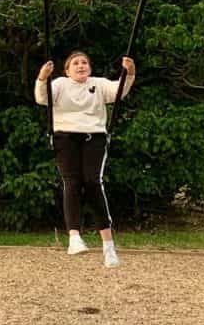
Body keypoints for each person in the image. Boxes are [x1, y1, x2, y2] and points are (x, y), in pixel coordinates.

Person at [35, 51, 136, 268]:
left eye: (84, 63)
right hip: (65, 136)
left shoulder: (98, 84)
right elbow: (42, 98)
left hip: (94, 136)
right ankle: (74, 237)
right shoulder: (60, 84)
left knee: (92, 182)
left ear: (89, 68)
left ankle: (108, 245)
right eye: (75, 63)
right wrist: (43, 77)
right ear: (67, 70)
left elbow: (119, 91)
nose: (80, 66)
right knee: (72, 182)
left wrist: (129, 73)